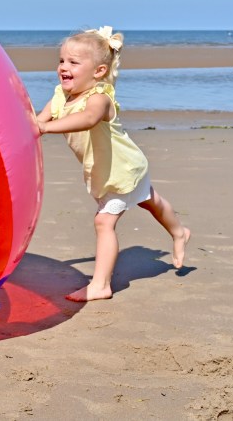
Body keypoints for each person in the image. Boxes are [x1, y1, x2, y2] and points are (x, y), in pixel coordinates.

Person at [36, 26, 190, 302]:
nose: (63, 67)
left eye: (73, 62)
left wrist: (46, 129)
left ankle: (101, 285)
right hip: (111, 170)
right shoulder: (60, 95)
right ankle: (180, 232)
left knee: (103, 222)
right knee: (148, 199)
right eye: (61, 60)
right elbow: (38, 121)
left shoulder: (100, 99)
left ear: (99, 72)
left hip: (122, 169)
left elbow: (87, 120)